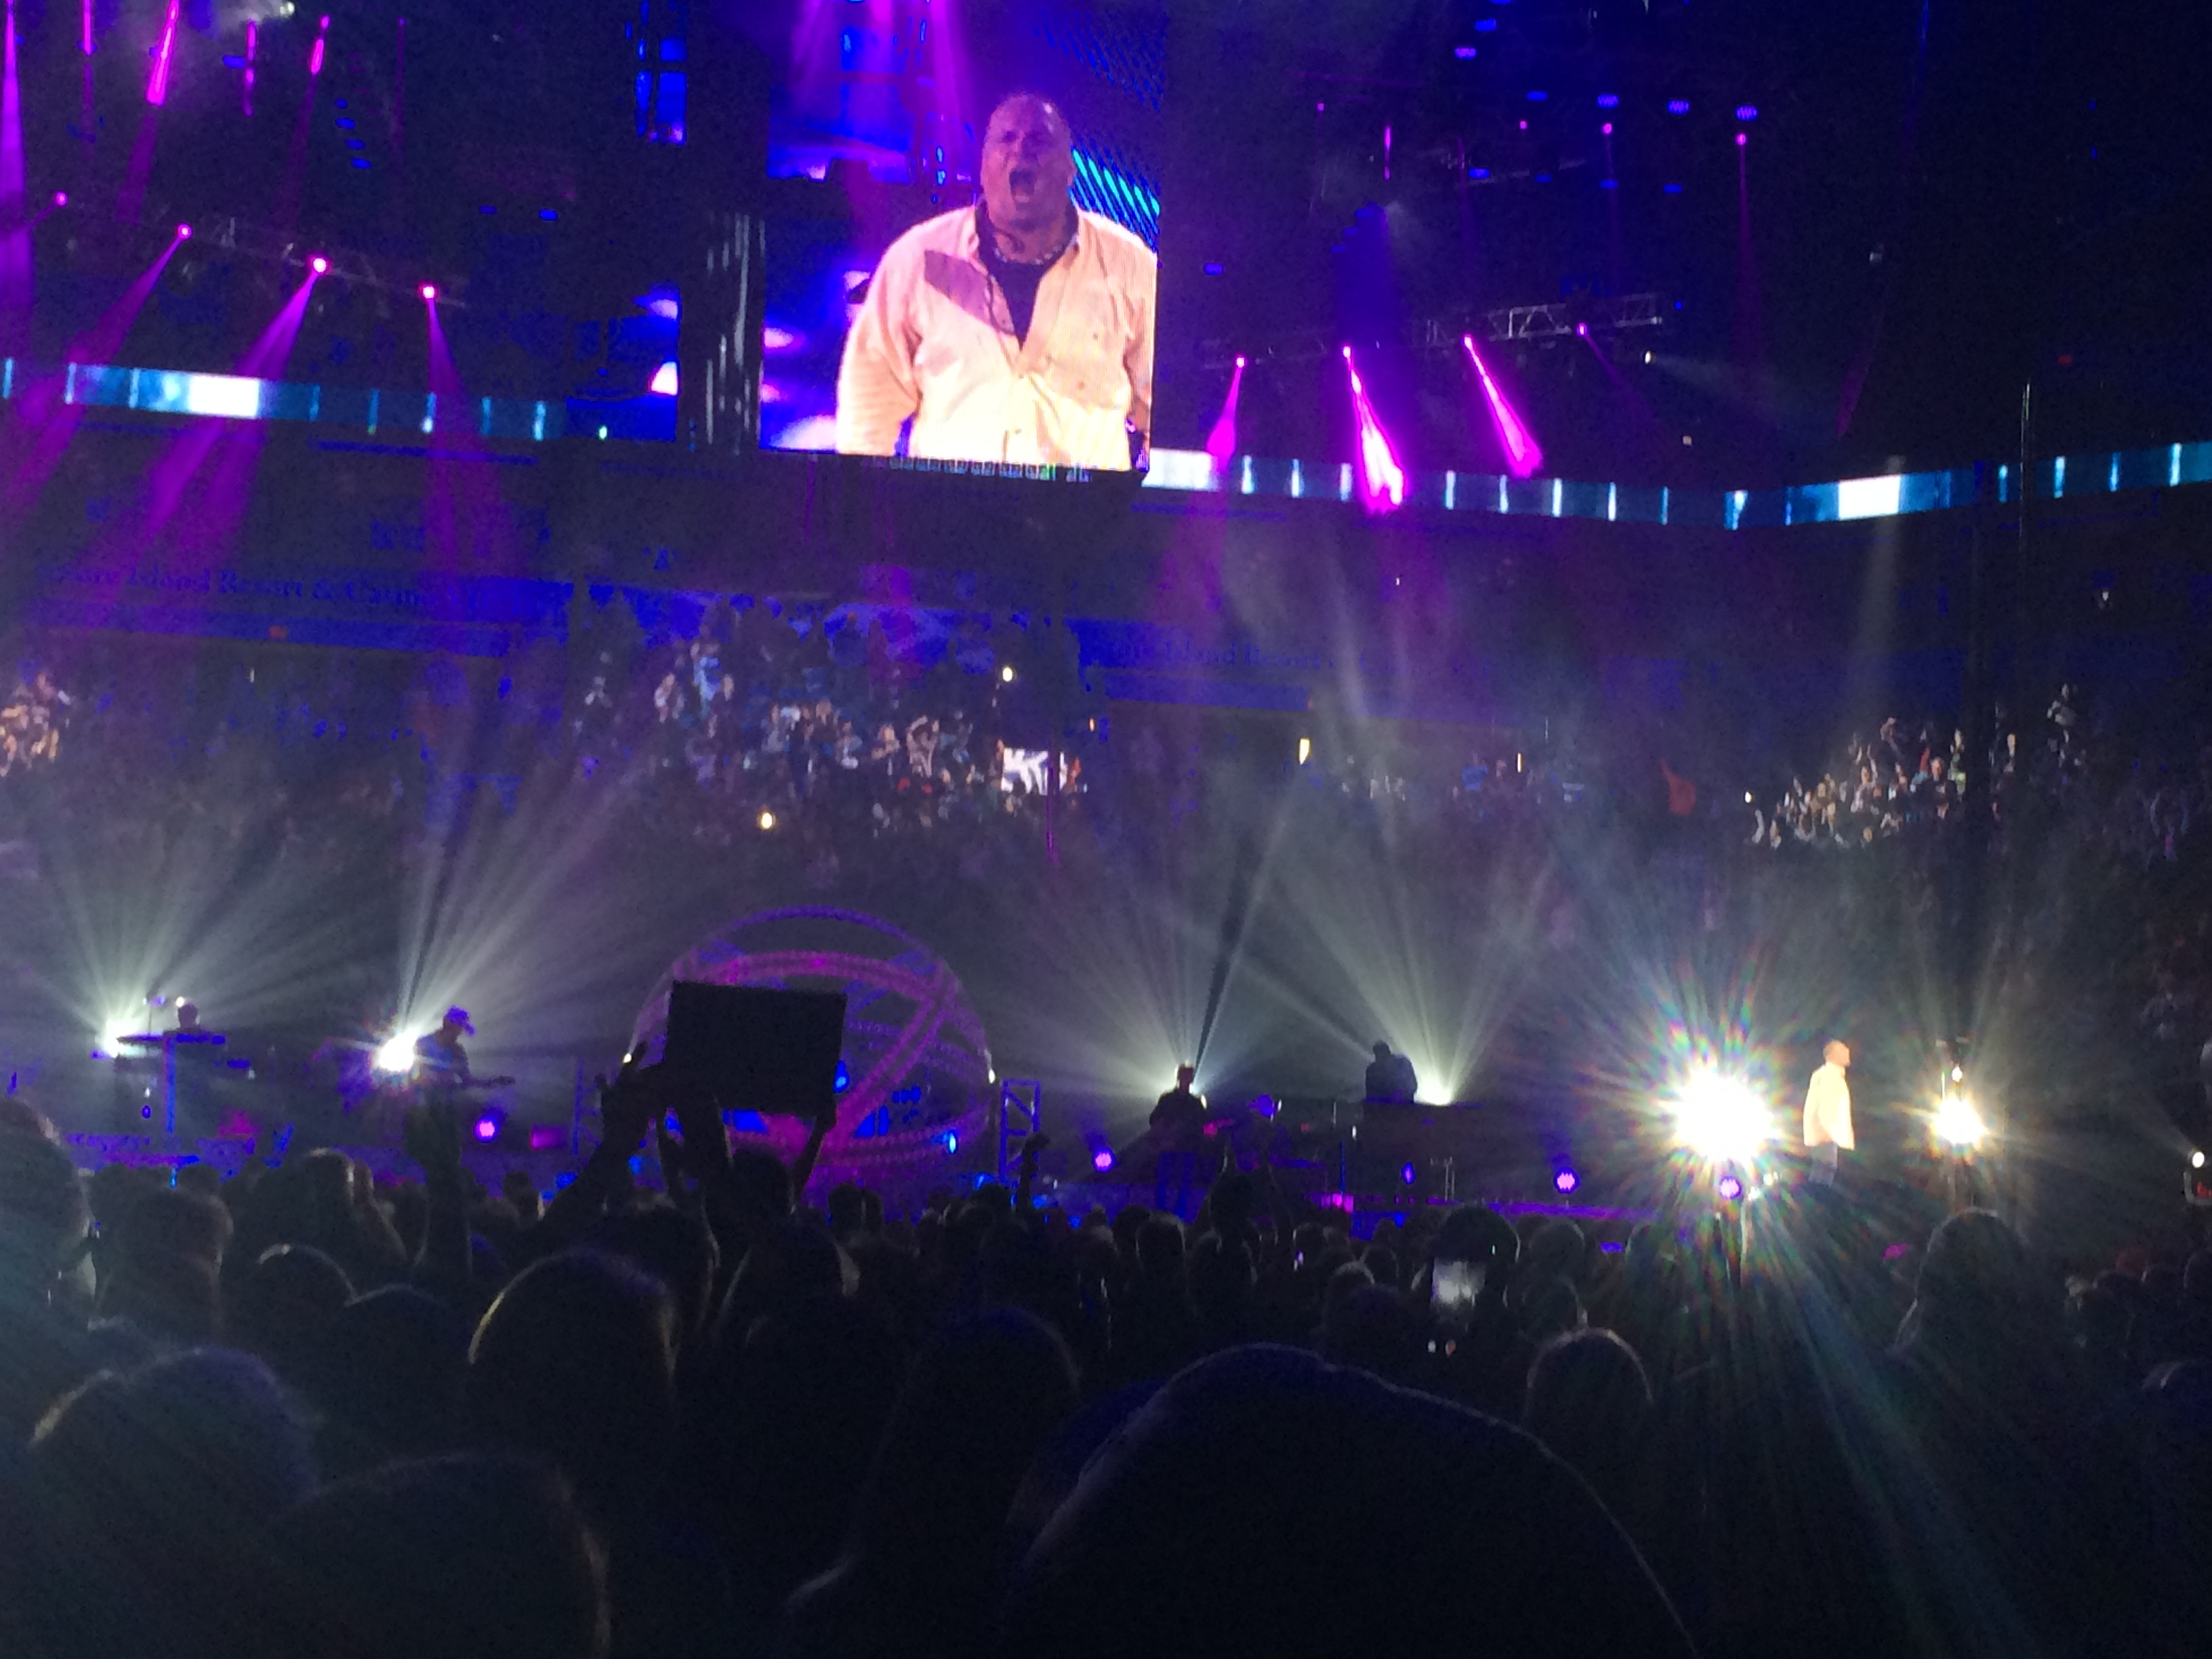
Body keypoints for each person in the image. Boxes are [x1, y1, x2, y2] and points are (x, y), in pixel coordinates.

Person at [835, 92, 1157, 471]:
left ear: (1070, 169)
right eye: (1006, 139)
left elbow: (1164, 405)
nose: (1020, 151)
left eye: (1038, 140)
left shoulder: (1130, 265)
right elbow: (869, 401)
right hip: (951, 503)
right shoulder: (917, 259)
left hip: (1083, 505)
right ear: (984, 165)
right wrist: (868, 498)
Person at [1149, 1065, 1210, 1219]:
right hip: (1169, 1148)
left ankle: (1178, 1217)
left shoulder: (1194, 1103)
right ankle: (1161, 1215)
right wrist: (1165, 1135)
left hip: (1186, 1149)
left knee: (1182, 1185)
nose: (1186, 1080)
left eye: (1188, 1076)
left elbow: (1201, 1126)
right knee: (1165, 1183)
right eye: (1184, 1076)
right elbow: (1154, 1120)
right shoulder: (1168, 1099)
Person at [1803, 1040, 1853, 1185]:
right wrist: (1827, 1134)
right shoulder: (1829, 1075)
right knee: (1823, 1178)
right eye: (1843, 1049)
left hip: (1828, 1138)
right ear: (1833, 1054)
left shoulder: (1830, 1075)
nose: (1847, 1051)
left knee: (1823, 1176)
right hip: (1827, 1138)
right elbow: (1825, 1106)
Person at [414, 1007, 475, 1091]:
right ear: (447, 1024)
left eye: (461, 1028)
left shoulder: (458, 1052)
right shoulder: (423, 1044)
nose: (459, 1032)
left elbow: (467, 1080)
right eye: (457, 1027)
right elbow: (413, 1074)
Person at [1364, 1041, 1418, 1105]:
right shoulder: (1372, 1070)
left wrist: (1400, 1095)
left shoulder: (1402, 1063)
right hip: (1383, 1107)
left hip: (1404, 1106)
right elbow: (1370, 1094)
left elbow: (1412, 1085)